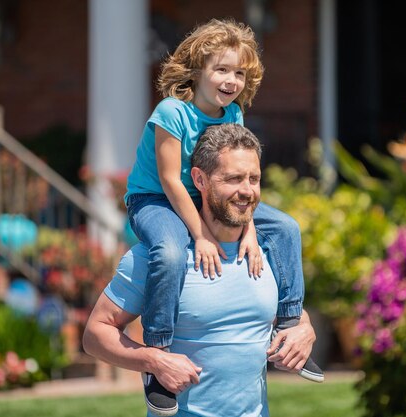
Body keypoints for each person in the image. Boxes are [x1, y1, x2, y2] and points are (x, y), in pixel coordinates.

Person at [124, 18, 324, 415]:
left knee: (285, 227)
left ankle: (287, 327)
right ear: (197, 70)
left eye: (239, 72)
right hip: (155, 199)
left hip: (205, 195)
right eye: (221, 69)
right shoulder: (171, 112)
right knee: (169, 251)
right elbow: (169, 179)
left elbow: (238, 185)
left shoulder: (232, 115)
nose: (231, 80)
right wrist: (199, 234)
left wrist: (248, 229)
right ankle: (158, 356)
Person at [84, 124, 318, 417]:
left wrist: (305, 328)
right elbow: (95, 334)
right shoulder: (161, 256)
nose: (246, 191)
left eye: (254, 179)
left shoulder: (268, 251)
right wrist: (153, 360)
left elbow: (274, 310)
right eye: (233, 179)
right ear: (200, 180)